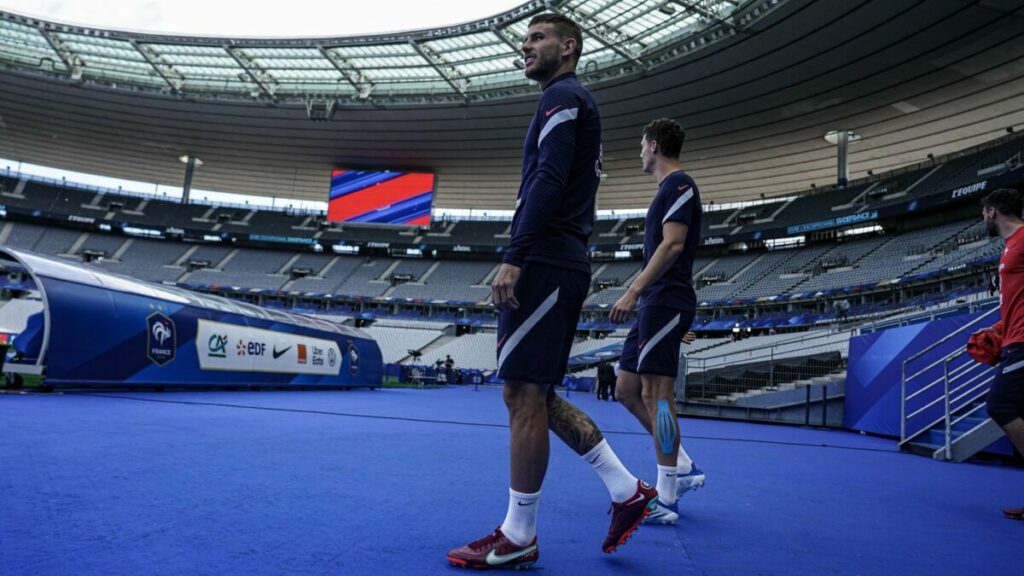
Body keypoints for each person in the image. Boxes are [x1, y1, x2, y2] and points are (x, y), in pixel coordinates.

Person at [447, 14, 657, 570]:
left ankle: (520, 535)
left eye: (537, 38)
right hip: (560, 259)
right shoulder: (566, 98)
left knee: (521, 396)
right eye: (525, 39)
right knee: (536, 396)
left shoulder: (562, 96)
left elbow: (550, 177)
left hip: (545, 259)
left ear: (569, 47)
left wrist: (516, 255)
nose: (526, 46)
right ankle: (625, 489)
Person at [609, 118, 706, 526]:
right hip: (656, 301)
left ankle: (667, 494)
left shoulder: (679, 185)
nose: (639, 152)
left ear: (653, 145)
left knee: (658, 395)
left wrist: (633, 290)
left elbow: (674, 243)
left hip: (665, 299)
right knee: (626, 390)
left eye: (641, 145)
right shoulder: (666, 190)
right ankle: (680, 462)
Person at [973, 188, 1024, 521]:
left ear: (992, 212)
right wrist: (997, 328)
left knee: (1000, 405)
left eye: (983, 213)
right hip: (1014, 338)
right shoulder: (1009, 247)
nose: (983, 218)